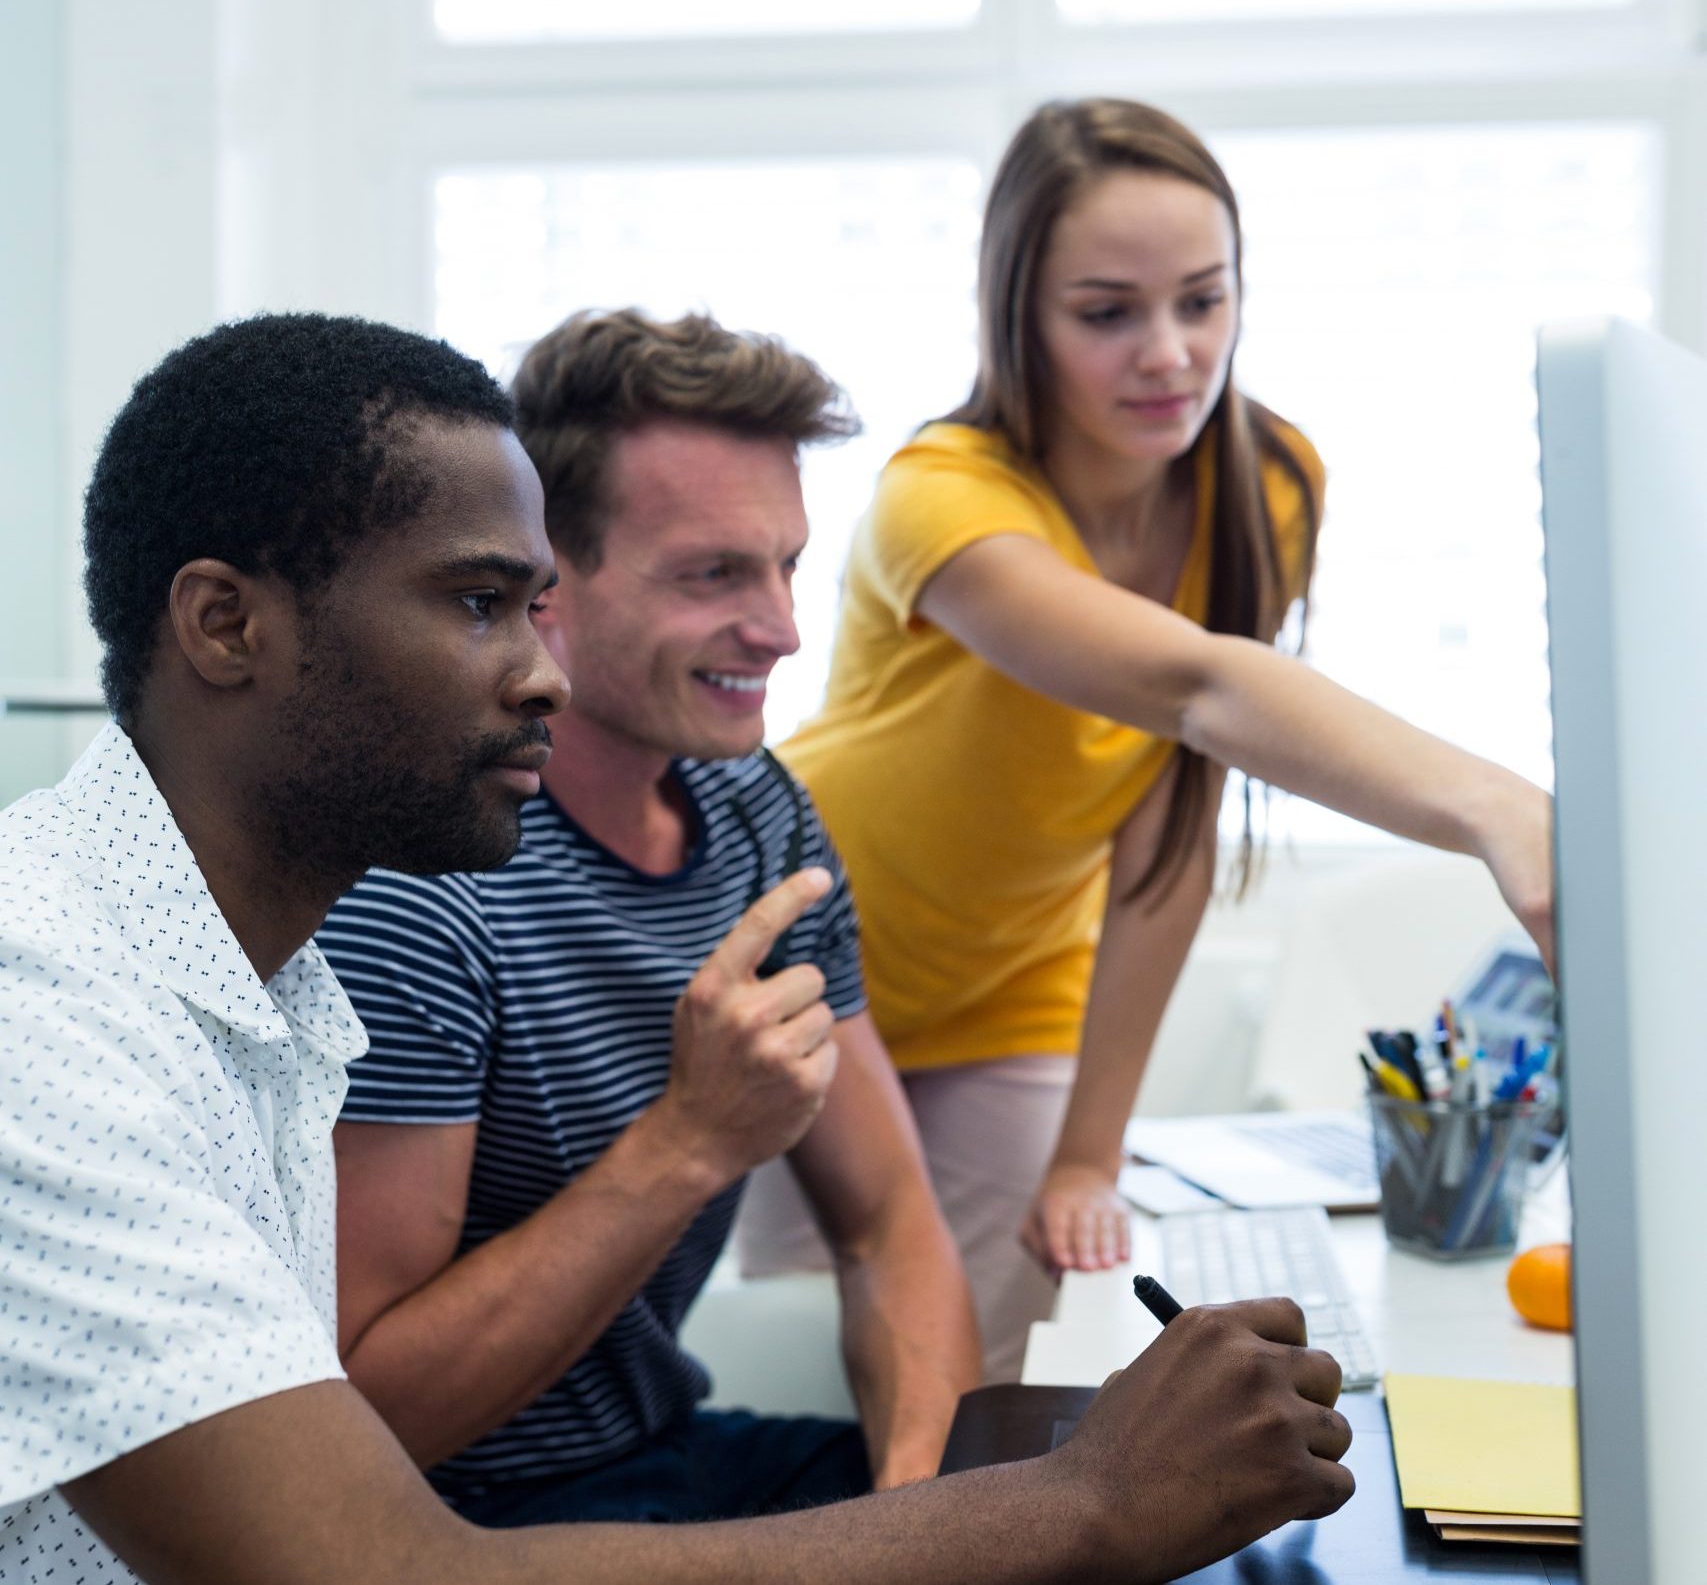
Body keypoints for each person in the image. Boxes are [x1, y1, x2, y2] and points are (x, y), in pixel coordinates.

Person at [0, 308, 1354, 1585]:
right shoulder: (45, 1005)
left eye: (529, 604)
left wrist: (973, 1507)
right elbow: (374, 1559)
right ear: (227, 624)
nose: (538, 667)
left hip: (621, 1466)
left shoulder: (277, 977)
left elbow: (889, 1221)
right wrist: (1073, 1506)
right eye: (481, 603)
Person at [739, 97, 1556, 1380]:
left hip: (1017, 981)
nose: (1171, 353)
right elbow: (1194, 688)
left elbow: (1173, 815)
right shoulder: (938, 495)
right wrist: (1499, 810)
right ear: (1021, 314)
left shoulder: (1270, 484)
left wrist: (1088, 1151)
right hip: (818, 955)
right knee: (830, 1353)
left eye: (1204, 299)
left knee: (1001, 1368)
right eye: (1108, 312)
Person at [316, 307, 979, 1526]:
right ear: (543, 589)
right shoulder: (421, 886)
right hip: (459, 1519)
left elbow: (889, 1225)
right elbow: (365, 1417)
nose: (782, 627)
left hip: (663, 1454)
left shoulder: (758, 814)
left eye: (785, 564)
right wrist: (690, 1140)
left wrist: (920, 1525)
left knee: (1105, 1513)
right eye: (713, 574)